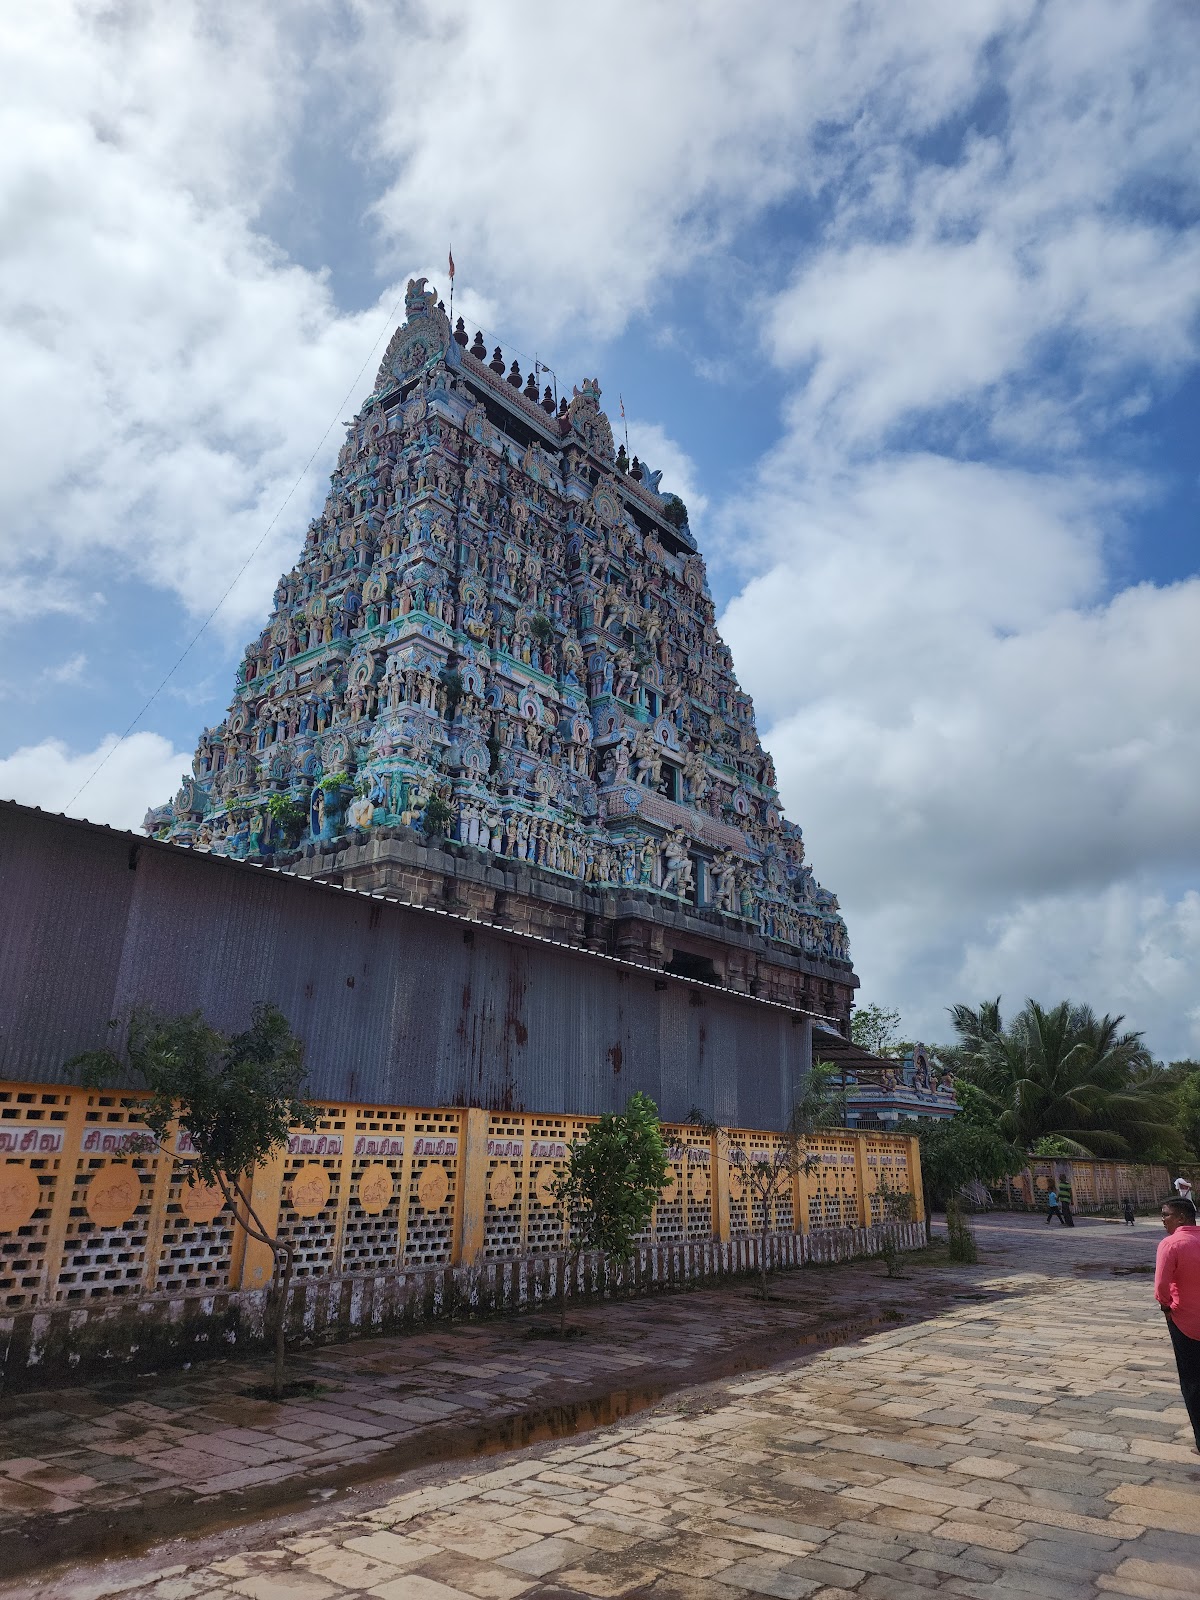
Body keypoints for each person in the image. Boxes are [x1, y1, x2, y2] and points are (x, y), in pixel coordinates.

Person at [1156, 1195, 1200, 1454]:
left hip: (1185, 1320)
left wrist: (1166, 1307)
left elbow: (1161, 1285)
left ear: (1181, 1217)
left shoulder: (1171, 1244)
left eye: (1166, 1215)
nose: (1163, 1220)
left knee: (1193, 1381)